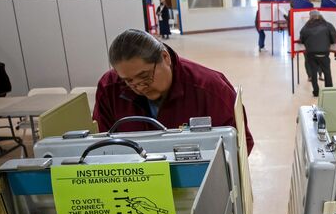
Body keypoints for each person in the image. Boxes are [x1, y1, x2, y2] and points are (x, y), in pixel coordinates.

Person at [93, 29, 254, 152]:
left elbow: (241, 144)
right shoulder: (109, 89)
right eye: (128, 81)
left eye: (145, 76)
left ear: (165, 57)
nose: (140, 87)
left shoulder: (209, 89)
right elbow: (103, 146)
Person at [299, 10, 336, 97]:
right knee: (327, 72)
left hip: (311, 54)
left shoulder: (306, 27)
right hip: (324, 53)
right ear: (319, 16)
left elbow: (302, 40)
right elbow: (333, 39)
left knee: (313, 72)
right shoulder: (328, 25)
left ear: (310, 17)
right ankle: (328, 91)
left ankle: (316, 92)